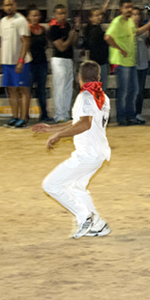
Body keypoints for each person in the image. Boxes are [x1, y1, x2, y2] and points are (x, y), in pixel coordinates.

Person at [32, 61, 111, 239]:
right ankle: (98, 225)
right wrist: (52, 129)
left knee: (50, 185)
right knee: (76, 187)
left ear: (78, 78)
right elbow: (79, 121)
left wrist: (59, 136)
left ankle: (84, 217)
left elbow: (84, 124)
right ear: (99, 78)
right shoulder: (102, 97)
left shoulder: (86, 97)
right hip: (98, 153)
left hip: (88, 153)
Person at [104, 0, 150, 126]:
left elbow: (136, 33)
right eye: (126, 7)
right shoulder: (117, 21)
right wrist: (119, 49)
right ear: (121, 9)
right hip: (121, 61)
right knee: (124, 91)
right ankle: (122, 117)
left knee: (134, 90)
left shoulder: (129, 22)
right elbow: (108, 37)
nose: (129, 9)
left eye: (130, 7)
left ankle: (130, 116)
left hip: (130, 62)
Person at [1, 0, 32, 128]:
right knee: (11, 89)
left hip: (19, 61)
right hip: (6, 61)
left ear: (15, 5)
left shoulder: (21, 20)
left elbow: (25, 41)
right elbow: (3, 41)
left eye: (11, 4)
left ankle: (24, 118)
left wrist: (21, 61)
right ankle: (15, 116)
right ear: (3, 7)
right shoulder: (2, 21)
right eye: (6, 5)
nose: (9, 7)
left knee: (23, 89)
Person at [49, 4, 80, 124]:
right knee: (60, 88)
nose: (62, 16)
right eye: (59, 13)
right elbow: (61, 47)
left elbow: (75, 41)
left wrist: (76, 29)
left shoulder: (67, 25)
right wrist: (71, 37)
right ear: (55, 15)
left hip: (68, 59)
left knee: (68, 87)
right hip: (59, 60)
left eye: (64, 13)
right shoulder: (53, 28)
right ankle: (59, 115)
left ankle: (66, 113)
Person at [27, 4, 52, 123]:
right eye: (33, 15)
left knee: (41, 90)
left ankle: (44, 114)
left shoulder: (43, 29)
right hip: (30, 64)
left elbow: (47, 44)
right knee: (28, 90)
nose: (36, 17)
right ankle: (24, 115)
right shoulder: (26, 30)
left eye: (37, 15)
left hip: (42, 62)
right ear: (28, 17)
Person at [82, 0, 111, 92]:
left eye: (100, 15)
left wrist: (106, 3)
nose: (99, 17)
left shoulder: (91, 28)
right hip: (99, 63)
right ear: (90, 18)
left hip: (97, 62)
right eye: (96, 16)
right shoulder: (94, 31)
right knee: (100, 90)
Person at [132, 6, 148, 124]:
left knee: (140, 90)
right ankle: (131, 113)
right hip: (132, 63)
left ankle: (138, 112)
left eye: (138, 14)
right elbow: (137, 33)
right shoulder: (129, 27)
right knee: (134, 90)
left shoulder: (144, 28)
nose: (136, 17)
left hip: (143, 62)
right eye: (134, 14)